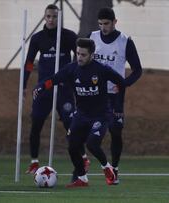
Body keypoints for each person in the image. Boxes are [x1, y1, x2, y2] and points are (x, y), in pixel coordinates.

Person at [33, 38, 128, 187]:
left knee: (92, 144)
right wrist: (41, 87)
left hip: (100, 115)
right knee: (72, 147)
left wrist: (118, 103)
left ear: (91, 54)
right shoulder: (72, 69)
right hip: (81, 115)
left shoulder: (101, 70)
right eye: (78, 53)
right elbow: (55, 79)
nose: (79, 57)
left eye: (83, 54)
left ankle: (107, 168)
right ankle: (82, 179)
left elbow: (121, 82)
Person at [86, 7, 142, 184]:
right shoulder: (92, 37)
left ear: (115, 22)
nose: (104, 27)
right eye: (101, 24)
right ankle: (86, 168)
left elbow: (137, 70)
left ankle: (115, 168)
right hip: (94, 94)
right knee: (88, 133)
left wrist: (124, 83)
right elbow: (80, 61)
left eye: (107, 24)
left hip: (115, 95)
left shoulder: (125, 41)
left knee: (116, 132)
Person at [24, 4, 80, 174]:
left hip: (64, 88)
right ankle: (34, 162)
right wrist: (24, 85)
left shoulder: (69, 36)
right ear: (44, 17)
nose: (51, 19)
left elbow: (80, 59)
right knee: (36, 125)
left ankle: (82, 159)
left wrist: (76, 80)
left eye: (54, 16)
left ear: (59, 18)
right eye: (48, 16)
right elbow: (28, 63)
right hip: (43, 89)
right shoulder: (37, 38)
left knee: (72, 125)